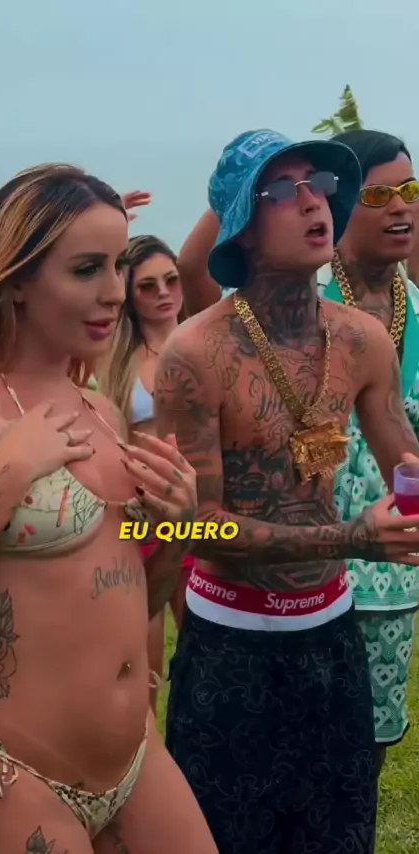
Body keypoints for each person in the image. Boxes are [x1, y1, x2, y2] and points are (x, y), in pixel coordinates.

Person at [0, 163, 218, 854]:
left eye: (117, 265)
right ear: (17, 278)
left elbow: (139, 593)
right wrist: (8, 474)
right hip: (3, 770)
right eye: (87, 269)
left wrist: (179, 526)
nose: (115, 292)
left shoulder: (98, 409)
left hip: (133, 758)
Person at [154, 128, 419, 854]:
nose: (312, 203)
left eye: (320, 185)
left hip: (332, 640)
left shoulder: (362, 340)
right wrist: (354, 538)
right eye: (283, 190)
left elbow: (407, 467)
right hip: (230, 647)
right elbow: (191, 527)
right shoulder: (195, 354)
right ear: (242, 223)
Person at [317, 129, 419, 772]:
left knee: (367, 758)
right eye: (379, 195)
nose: (400, 206)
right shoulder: (299, 310)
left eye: (409, 189)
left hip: (395, 581)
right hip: (306, 572)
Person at [100, 235, 191, 711]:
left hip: (199, 518)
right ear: (129, 296)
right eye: (148, 286)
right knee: (143, 671)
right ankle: (143, 751)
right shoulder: (116, 357)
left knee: (202, 658)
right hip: (140, 520)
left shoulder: (205, 344)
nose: (163, 293)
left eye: (171, 280)